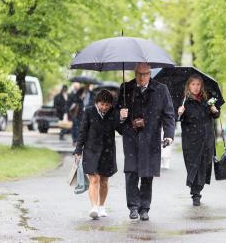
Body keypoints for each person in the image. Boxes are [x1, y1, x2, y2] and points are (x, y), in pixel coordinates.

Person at [118, 63, 175, 221]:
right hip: (131, 137)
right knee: (131, 172)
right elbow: (116, 114)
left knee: (147, 174)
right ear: (135, 73)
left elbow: (169, 114)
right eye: (139, 74)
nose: (142, 77)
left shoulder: (161, 89)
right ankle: (133, 207)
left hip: (151, 137)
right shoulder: (125, 88)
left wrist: (169, 135)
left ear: (150, 74)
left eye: (146, 74)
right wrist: (121, 115)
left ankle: (144, 208)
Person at [74, 89, 122, 219]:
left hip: (108, 151)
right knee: (94, 179)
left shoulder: (113, 113)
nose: (104, 107)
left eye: (107, 105)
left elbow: (121, 130)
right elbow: (83, 131)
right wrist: (78, 150)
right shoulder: (89, 111)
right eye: (102, 104)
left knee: (104, 180)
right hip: (91, 150)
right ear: (97, 102)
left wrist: (122, 118)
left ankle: (101, 206)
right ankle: (94, 207)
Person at [177, 74, 220, 206]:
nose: (195, 87)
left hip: (206, 137)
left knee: (204, 164)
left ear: (201, 86)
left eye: (198, 84)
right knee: (193, 164)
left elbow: (216, 115)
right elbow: (176, 118)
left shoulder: (207, 100)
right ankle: (195, 192)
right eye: (193, 84)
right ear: (188, 86)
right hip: (190, 139)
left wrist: (215, 111)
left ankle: (197, 190)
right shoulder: (184, 101)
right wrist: (179, 113)